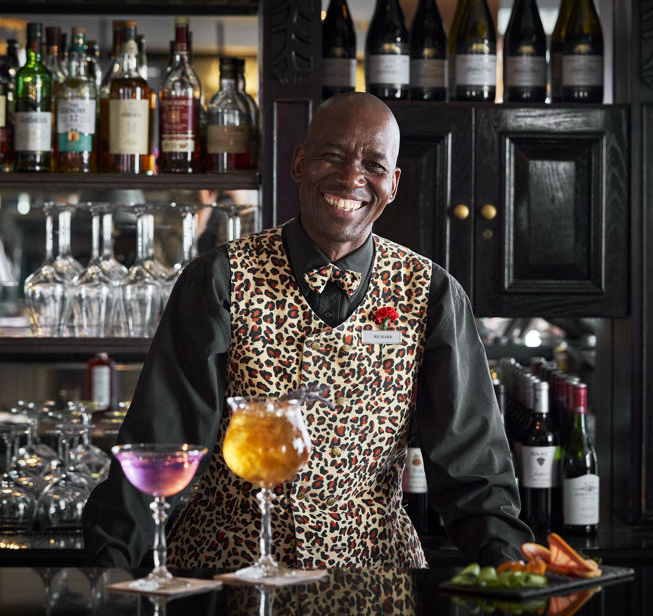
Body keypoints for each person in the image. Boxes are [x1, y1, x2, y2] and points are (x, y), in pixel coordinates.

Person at [83, 91, 533, 569]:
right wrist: (109, 573)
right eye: (332, 156)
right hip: (228, 570)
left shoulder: (432, 293)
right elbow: (161, 442)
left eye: (374, 166)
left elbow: (474, 469)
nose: (351, 177)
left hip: (375, 578)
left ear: (394, 183)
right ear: (299, 162)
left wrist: (509, 566)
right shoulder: (220, 280)